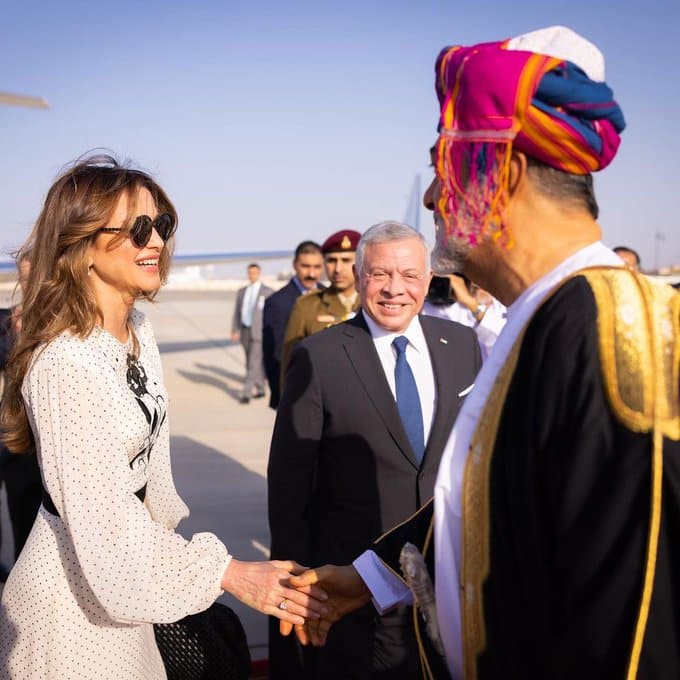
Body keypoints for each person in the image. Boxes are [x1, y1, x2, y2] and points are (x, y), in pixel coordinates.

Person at [289, 26, 680, 680]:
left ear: (504, 172)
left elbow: (636, 623)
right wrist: (371, 576)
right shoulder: (538, 322)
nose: (432, 197)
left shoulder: (615, 332)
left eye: (442, 166)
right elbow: (493, 506)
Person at [0, 154, 327, 679]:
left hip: (128, 578)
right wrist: (228, 573)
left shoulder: (137, 332)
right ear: (82, 246)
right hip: (72, 606)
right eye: (137, 229)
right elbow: (105, 522)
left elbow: (147, 486)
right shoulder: (66, 363)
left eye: (162, 225)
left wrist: (170, 560)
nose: (155, 241)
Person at [268, 221, 481, 679]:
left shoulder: (462, 346)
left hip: (445, 578)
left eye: (409, 275)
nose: (394, 289)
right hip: (355, 583)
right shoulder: (320, 356)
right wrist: (294, 587)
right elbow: (289, 486)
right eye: (380, 274)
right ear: (359, 276)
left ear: (428, 278)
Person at [0, 251, 42, 568]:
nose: (29, 283)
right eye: (24, 277)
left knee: (33, 528)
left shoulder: (64, 323)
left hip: (41, 439)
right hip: (12, 436)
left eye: (35, 275)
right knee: (18, 515)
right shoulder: (7, 322)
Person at [279, 229, 361, 387]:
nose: (337, 269)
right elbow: (290, 363)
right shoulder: (306, 306)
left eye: (346, 260)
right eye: (331, 261)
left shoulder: (375, 305)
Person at [262, 241, 324, 409]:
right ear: (295, 265)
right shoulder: (277, 303)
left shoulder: (330, 298)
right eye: (305, 266)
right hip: (295, 393)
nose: (311, 273)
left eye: (317, 267)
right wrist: (282, 397)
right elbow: (273, 356)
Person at [422, 274, 506, 359]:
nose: (477, 283)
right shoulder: (446, 304)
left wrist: (471, 304)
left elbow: (503, 345)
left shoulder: (506, 309)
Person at [231, 262, 273, 404]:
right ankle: (261, 389)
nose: (252, 275)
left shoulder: (267, 292)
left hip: (259, 332)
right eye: (250, 273)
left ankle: (246, 393)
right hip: (244, 330)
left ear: (259, 273)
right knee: (252, 362)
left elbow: (272, 314)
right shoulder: (242, 291)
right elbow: (237, 312)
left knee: (252, 363)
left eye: (254, 273)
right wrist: (235, 329)